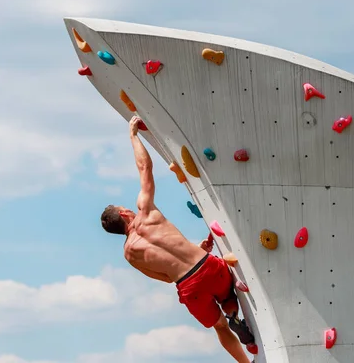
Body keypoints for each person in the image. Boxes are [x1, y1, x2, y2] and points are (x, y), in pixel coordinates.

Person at [100, 116, 254, 363]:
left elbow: (165, 276)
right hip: (208, 267)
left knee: (220, 329)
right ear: (123, 214)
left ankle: (245, 362)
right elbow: (144, 169)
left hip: (188, 286)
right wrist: (133, 136)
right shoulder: (145, 212)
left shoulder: (129, 254)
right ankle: (232, 310)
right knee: (227, 295)